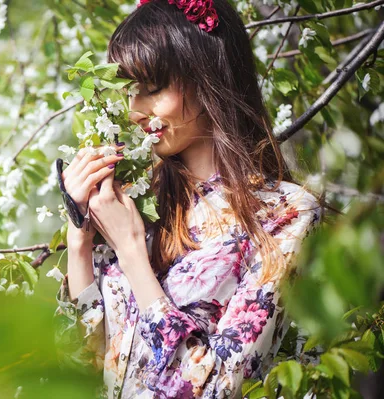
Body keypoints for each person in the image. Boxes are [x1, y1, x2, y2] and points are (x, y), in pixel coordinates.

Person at [53, 0, 323, 398]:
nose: (135, 111)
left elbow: (215, 389)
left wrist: (130, 253)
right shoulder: (139, 205)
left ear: (205, 75)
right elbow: (81, 366)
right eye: (130, 93)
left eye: (152, 89)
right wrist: (81, 235)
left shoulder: (284, 214)